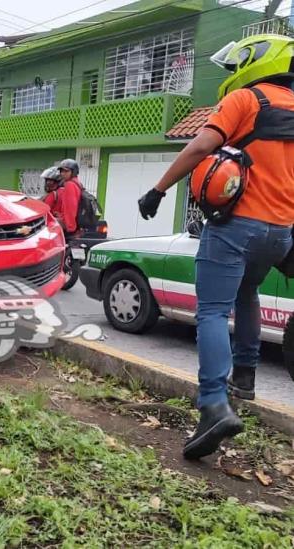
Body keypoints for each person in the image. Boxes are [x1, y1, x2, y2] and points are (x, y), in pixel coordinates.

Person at [137, 34, 294, 460]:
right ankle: (244, 377)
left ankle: (212, 405)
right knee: (248, 292)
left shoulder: (246, 99)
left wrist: (157, 189)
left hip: (235, 227)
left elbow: (202, 145)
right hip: (280, 232)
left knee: (210, 310)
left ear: (253, 62)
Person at [55, 158, 82, 236]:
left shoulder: (70, 185)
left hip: (69, 225)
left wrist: (70, 227)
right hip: (72, 222)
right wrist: (60, 215)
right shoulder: (77, 183)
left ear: (73, 172)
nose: (63, 174)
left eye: (66, 171)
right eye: (61, 171)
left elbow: (71, 208)